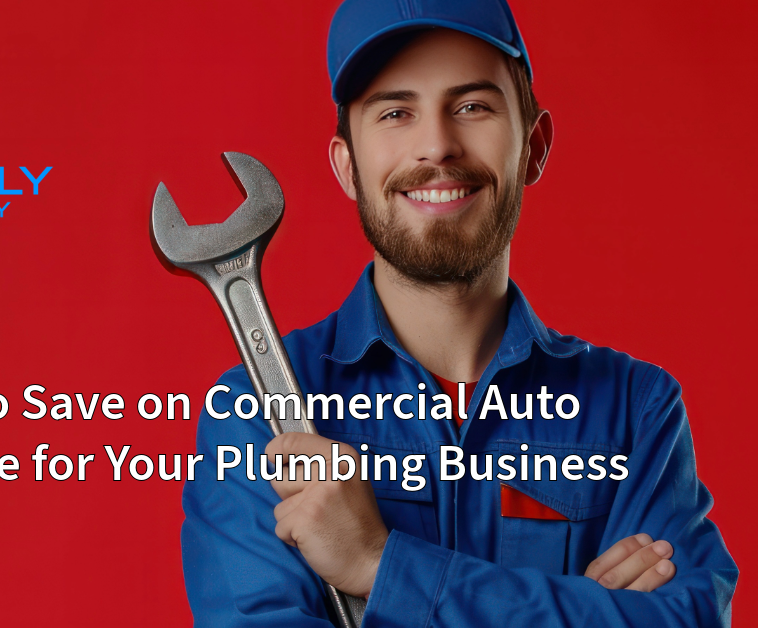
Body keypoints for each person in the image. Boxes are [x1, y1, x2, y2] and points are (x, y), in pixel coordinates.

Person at [179, 0, 738, 626]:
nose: (437, 144)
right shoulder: (255, 417)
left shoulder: (635, 410)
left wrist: (380, 564)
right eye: (396, 112)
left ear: (534, 146)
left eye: (472, 107)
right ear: (347, 167)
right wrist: (587, 610)